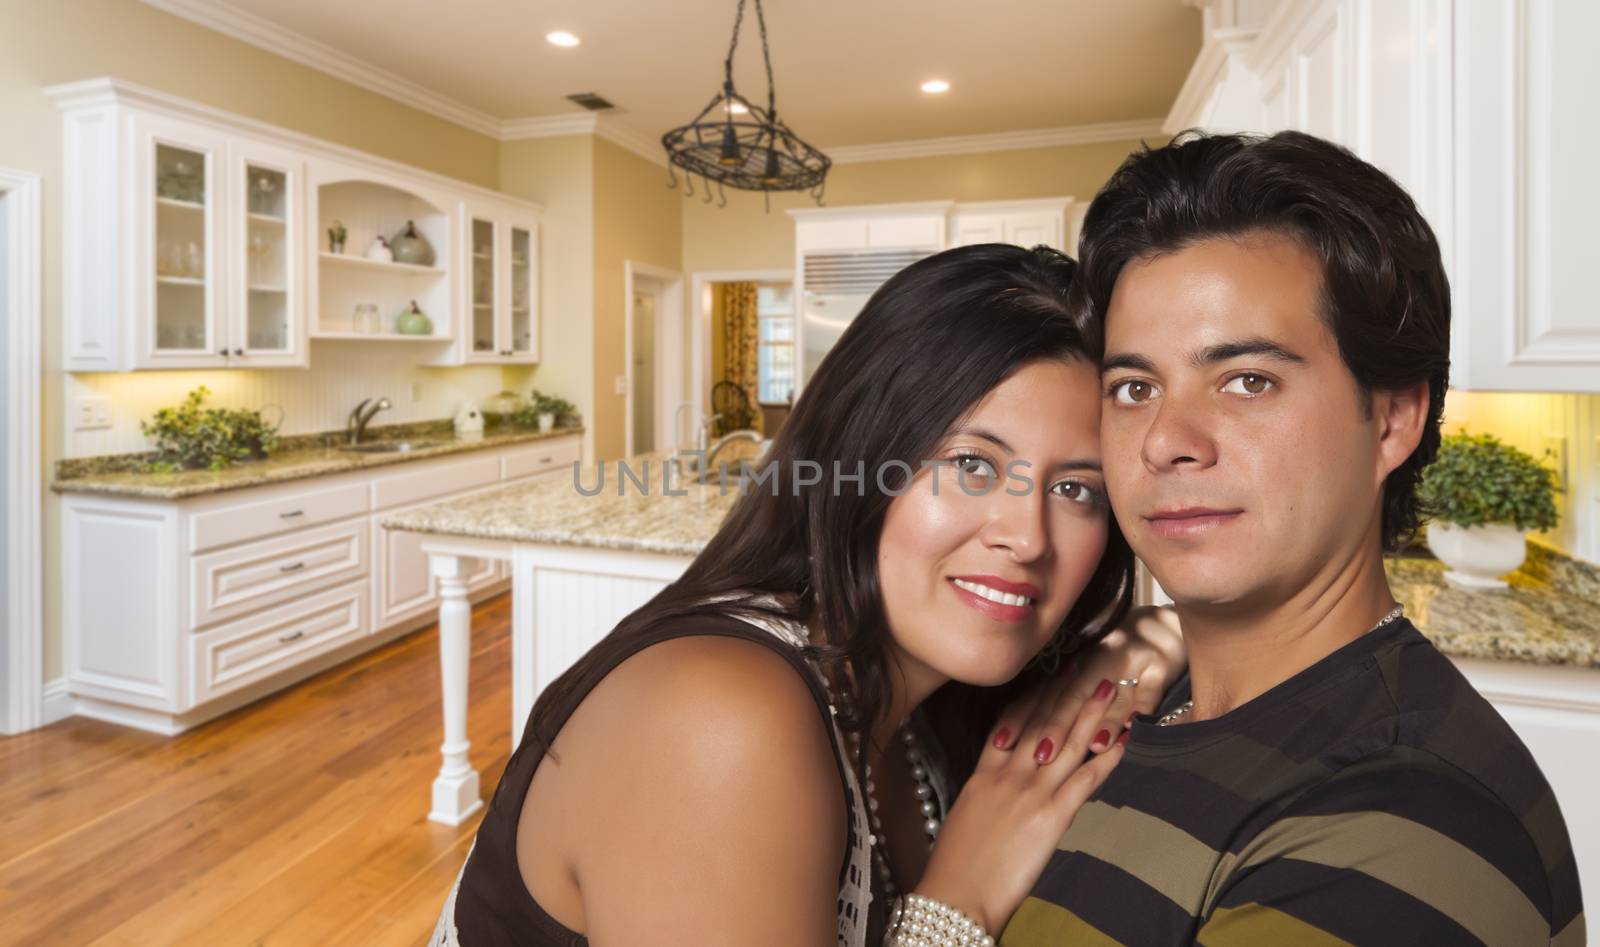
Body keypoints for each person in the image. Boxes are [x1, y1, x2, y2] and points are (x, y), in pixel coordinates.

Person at [430, 243, 1188, 946]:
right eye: (972, 464)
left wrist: (1131, 650)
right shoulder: (716, 720)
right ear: (856, 458)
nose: (1027, 537)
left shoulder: (923, 702)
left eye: (1076, 489)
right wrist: (959, 904)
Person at [1000, 131, 1585, 946]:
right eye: (1134, 386)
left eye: (1247, 380)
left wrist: (943, 912)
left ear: (1391, 419)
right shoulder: (1158, 707)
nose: (1167, 438)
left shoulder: (1398, 824)